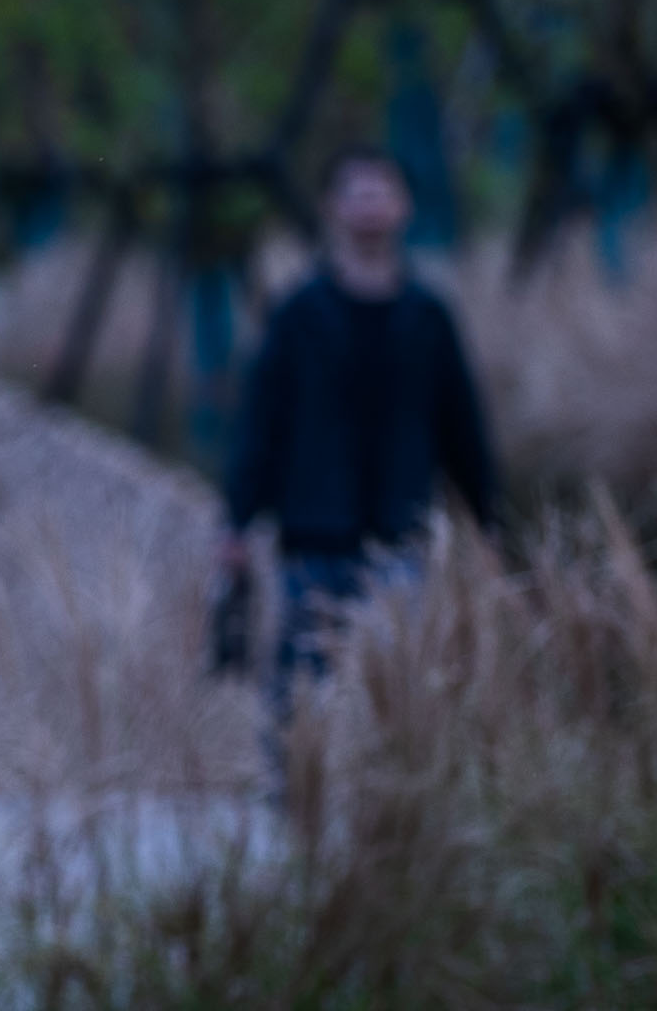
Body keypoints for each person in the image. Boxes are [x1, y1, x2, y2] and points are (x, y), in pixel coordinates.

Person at [214, 148, 502, 725]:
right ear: (330, 207)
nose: (369, 207)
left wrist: (485, 521)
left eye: (381, 193)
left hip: (403, 534)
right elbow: (262, 423)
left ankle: (388, 805)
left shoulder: (428, 316)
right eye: (356, 193)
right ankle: (296, 802)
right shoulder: (297, 314)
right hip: (314, 534)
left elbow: (461, 425)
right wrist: (238, 521)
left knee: (402, 692)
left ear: (405, 206)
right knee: (298, 695)